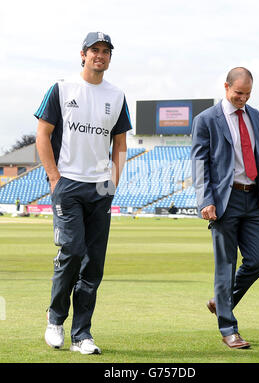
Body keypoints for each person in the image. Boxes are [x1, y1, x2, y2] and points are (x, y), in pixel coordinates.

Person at [34, 31, 132, 354]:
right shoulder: (62, 89)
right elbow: (42, 134)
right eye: (95, 50)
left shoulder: (116, 96)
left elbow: (119, 144)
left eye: (106, 51)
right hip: (68, 185)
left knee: (94, 265)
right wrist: (54, 178)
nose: (100, 56)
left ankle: (82, 334)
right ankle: (55, 318)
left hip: (100, 188)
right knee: (72, 251)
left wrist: (112, 183)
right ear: (83, 54)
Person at [191, 67, 259, 349]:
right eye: (238, 93)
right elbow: (199, 163)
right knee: (225, 266)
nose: (242, 99)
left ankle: (221, 302)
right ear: (226, 87)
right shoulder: (206, 120)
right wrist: (206, 200)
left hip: (252, 198)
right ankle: (229, 329)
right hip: (224, 200)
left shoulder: (255, 115)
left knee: (258, 261)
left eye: (247, 94)